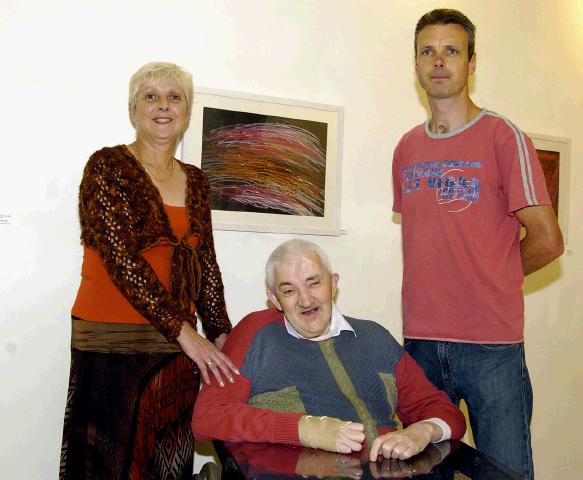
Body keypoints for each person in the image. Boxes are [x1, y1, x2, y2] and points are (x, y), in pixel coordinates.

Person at [392, 9, 564, 479]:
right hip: (421, 343)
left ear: (471, 62)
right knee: (422, 471)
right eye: (428, 51)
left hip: (492, 347)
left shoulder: (503, 137)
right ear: (416, 64)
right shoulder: (406, 148)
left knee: (503, 473)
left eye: (452, 50)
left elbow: (548, 242)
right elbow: (436, 240)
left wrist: (494, 279)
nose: (439, 61)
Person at [59, 62, 239, 480]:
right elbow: (122, 262)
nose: (163, 106)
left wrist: (221, 333)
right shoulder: (107, 168)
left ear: (187, 111)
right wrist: (186, 333)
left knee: (165, 466)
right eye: (151, 96)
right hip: (111, 342)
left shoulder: (196, 181)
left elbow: (205, 261)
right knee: (106, 465)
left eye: (174, 97)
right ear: (133, 109)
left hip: (177, 351)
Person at [192, 239, 466, 461]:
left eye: (314, 282)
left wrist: (424, 431)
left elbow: (445, 412)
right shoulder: (256, 333)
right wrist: (306, 429)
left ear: (333, 283)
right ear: (274, 298)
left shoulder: (375, 337)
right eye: (289, 291)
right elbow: (207, 417)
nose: (306, 299)